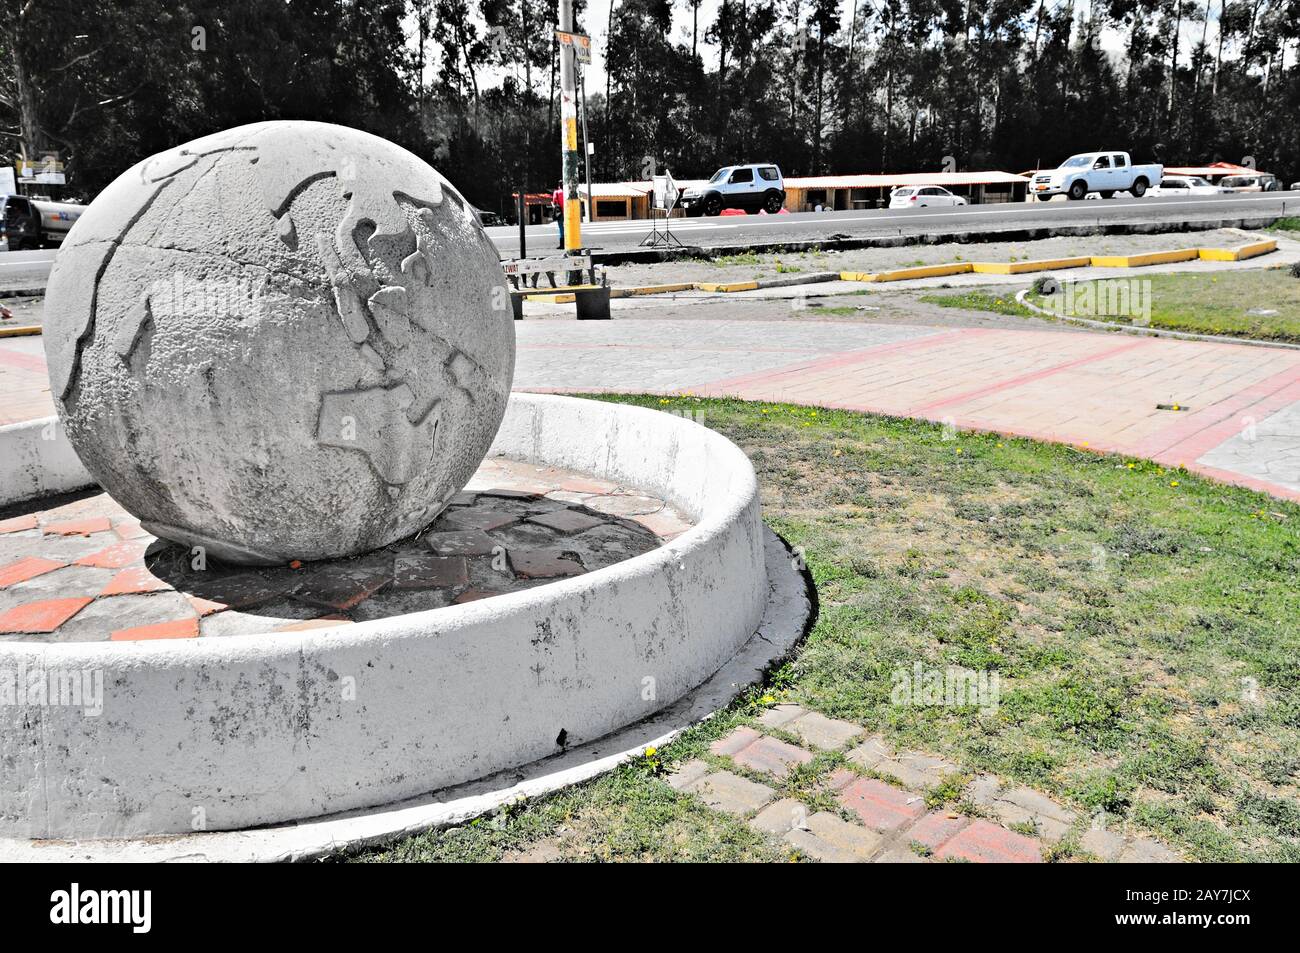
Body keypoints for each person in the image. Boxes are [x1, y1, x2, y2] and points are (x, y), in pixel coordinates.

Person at [551, 182, 564, 249]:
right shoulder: (567, 191)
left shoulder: (556, 192)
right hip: (568, 212)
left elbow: (554, 203)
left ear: (559, 186)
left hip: (560, 213)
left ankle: (562, 244)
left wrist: (552, 204)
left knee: (561, 228)